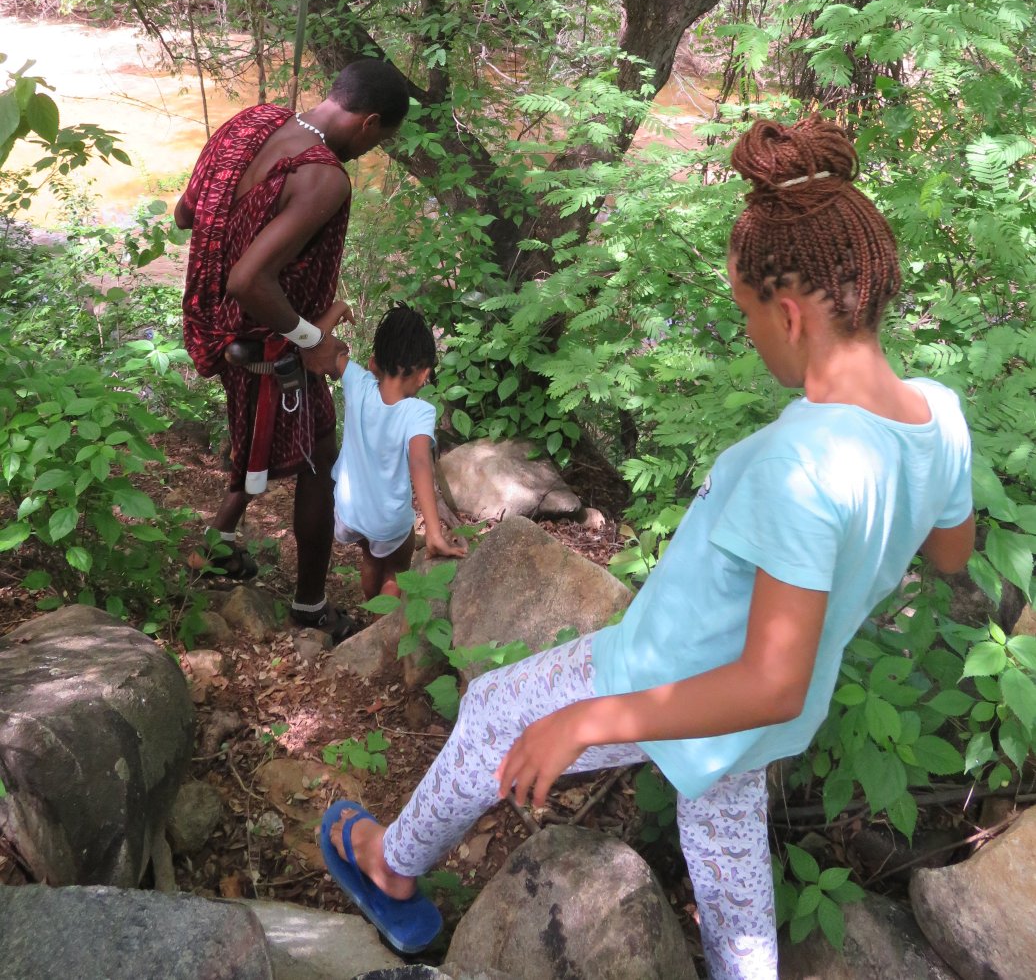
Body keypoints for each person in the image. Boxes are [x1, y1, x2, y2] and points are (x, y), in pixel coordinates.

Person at [316, 115, 976, 972]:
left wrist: (585, 720)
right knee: (730, 860)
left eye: (745, 313)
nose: (746, 332)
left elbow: (764, 681)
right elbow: (951, 555)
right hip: (763, 719)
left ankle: (390, 867)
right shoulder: (939, 416)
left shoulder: (797, 463)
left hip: (659, 670)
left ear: (788, 312)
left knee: (491, 713)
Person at [175, 59, 411, 644]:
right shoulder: (324, 176)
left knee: (255, 432)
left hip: (215, 328)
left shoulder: (251, 123)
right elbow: (248, 280)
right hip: (268, 340)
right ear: (370, 122)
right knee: (318, 462)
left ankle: (218, 548)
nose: (370, 150)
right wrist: (314, 338)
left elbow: (186, 214)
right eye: (378, 139)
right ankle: (311, 606)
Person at [332, 304, 466, 603]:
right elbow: (419, 461)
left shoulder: (358, 382)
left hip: (350, 511)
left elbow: (317, 343)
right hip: (388, 520)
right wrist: (433, 532)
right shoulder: (418, 412)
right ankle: (383, 630)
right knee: (395, 570)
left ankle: (370, 611)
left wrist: (338, 309)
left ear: (374, 362)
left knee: (369, 558)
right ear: (424, 374)